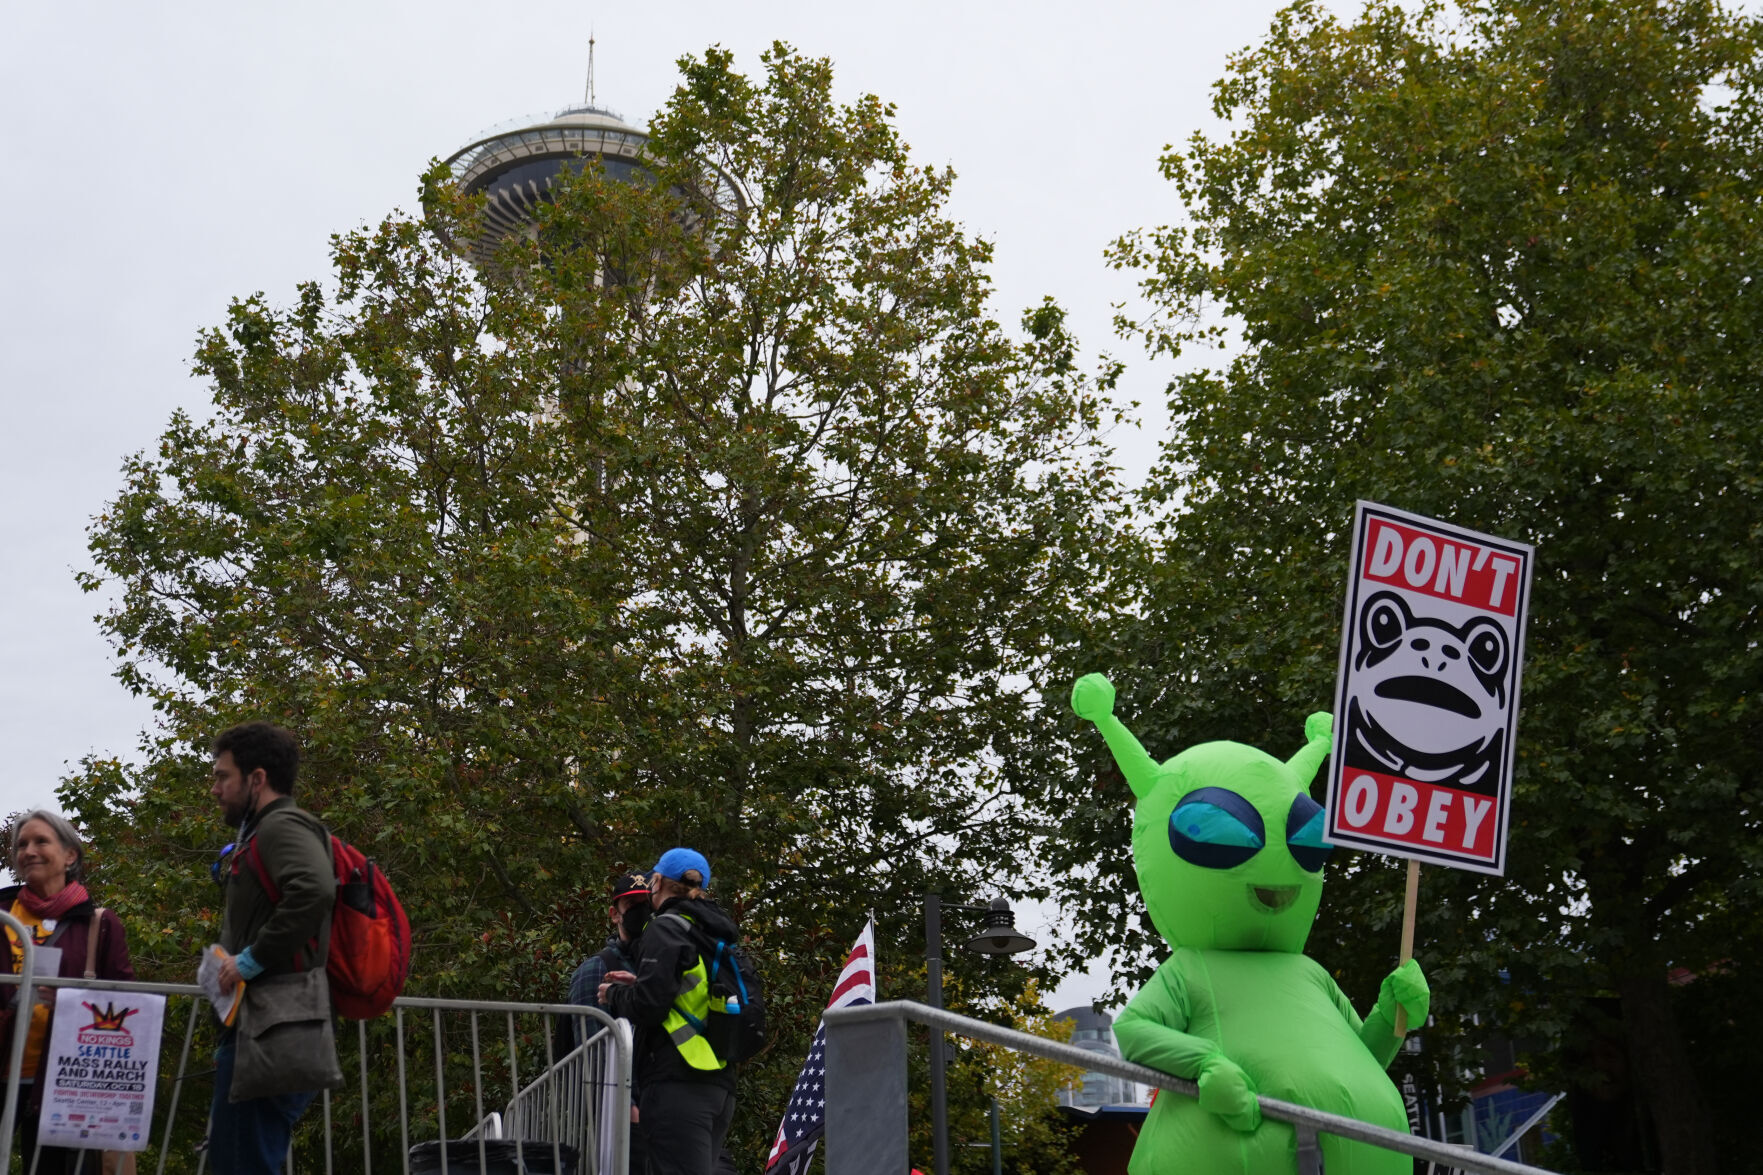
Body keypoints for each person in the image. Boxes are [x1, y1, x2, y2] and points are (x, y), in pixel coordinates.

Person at [207, 722, 338, 1175]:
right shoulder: (265, 831)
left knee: (242, 1162)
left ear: (257, 779)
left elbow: (314, 891)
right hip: (262, 1027)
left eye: (223, 776)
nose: (215, 789)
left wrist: (250, 961)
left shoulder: (281, 826)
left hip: (270, 1029)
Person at [1, 810, 135, 1175]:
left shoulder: (100, 924)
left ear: (70, 855)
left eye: (41, 841)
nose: (28, 851)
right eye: (21, 844)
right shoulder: (2, 914)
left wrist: (71, 1003)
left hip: (63, 1081)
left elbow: (127, 1005)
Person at [601, 849, 739, 1175]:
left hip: (677, 1082)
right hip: (719, 1084)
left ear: (658, 881)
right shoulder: (713, 931)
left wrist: (615, 994)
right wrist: (640, 984)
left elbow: (649, 1007)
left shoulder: (664, 928)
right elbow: (690, 993)